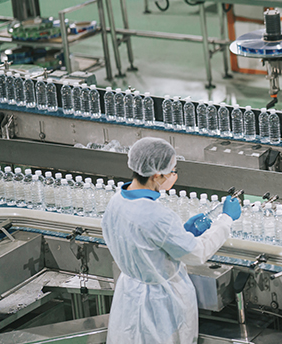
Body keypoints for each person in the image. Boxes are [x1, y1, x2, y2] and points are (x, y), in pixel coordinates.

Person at [102, 137, 241, 344]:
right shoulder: (155, 214)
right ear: (157, 175)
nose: (173, 175)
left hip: (129, 296)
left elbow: (144, 243)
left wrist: (183, 232)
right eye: (172, 171)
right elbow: (196, 253)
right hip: (159, 303)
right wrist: (225, 220)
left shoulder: (116, 202)